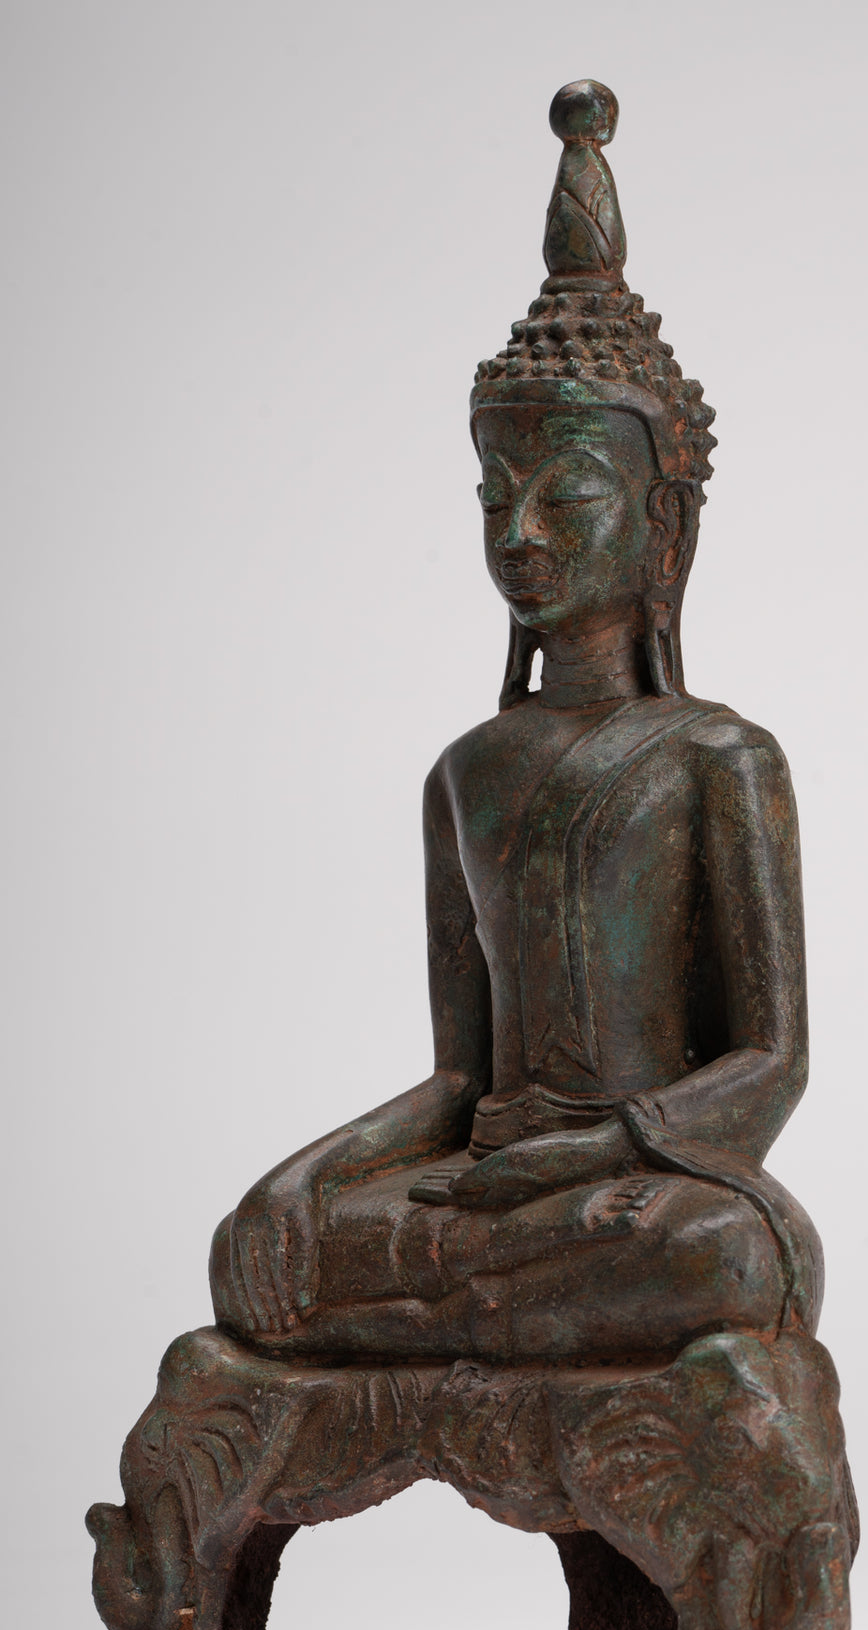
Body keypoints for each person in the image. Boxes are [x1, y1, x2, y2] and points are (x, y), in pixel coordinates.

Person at [209, 81, 822, 1369]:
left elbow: (770, 1061)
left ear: (662, 527)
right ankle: (460, 1312)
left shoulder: (719, 758)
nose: (521, 533)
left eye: (565, 495)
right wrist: (303, 1175)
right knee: (257, 1250)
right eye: (496, 497)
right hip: (484, 1195)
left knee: (725, 1253)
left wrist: (591, 1153)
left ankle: (430, 1328)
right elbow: (456, 1082)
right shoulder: (467, 773)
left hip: (630, 1190)